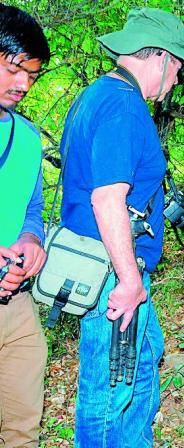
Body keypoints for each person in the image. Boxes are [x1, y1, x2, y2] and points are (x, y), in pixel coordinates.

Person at [58, 8, 184, 446]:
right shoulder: (123, 107)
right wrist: (127, 280)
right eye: (177, 66)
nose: (178, 79)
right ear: (158, 56)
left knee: (144, 360)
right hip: (111, 272)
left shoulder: (97, 95)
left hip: (107, 264)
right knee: (108, 390)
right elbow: (107, 199)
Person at [0, 5, 50, 447]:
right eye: (15, 69)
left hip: (13, 303)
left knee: (21, 431)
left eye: (32, 76)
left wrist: (32, 241)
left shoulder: (28, 137)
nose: (23, 85)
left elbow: (32, 207)